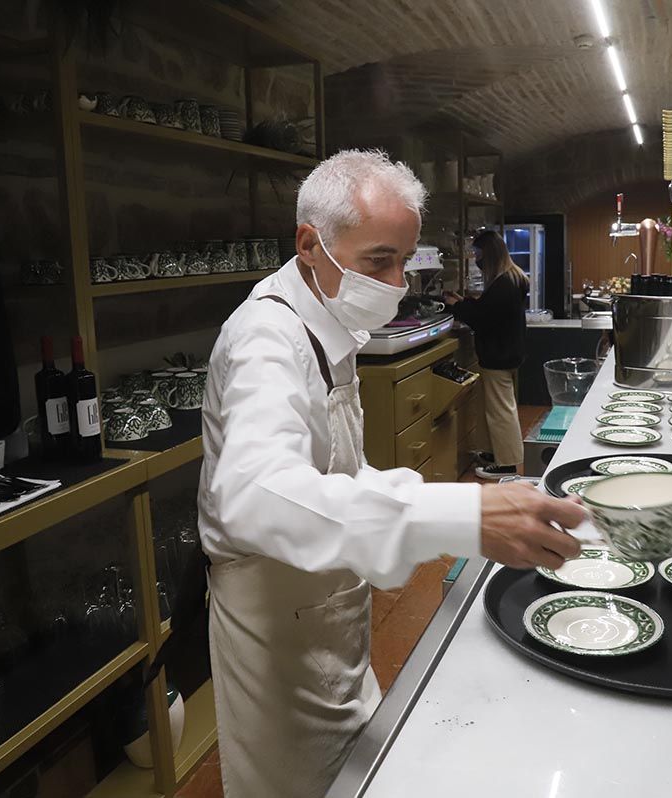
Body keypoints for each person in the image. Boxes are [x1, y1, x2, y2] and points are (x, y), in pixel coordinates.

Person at [198, 149, 586, 798]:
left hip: (330, 601)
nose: (397, 282)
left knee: (353, 771)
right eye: (379, 260)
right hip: (276, 614)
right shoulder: (267, 339)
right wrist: (462, 515)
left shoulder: (330, 318)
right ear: (308, 244)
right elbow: (253, 493)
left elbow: (332, 468)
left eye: (404, 261)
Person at [444, 229, 529, 480]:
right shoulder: (512, 278)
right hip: (509, 352)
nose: (476, 259)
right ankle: (498, 453)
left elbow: (482, 319)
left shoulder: (502, 284)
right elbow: (487, 310)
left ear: (489, 254)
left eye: (478, 253)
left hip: (498, 356)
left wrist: (457, 306)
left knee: (501, 412)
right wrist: (465, 302)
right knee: (499, 409)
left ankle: (509, 464)